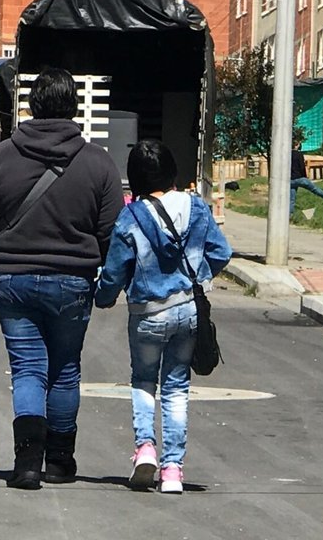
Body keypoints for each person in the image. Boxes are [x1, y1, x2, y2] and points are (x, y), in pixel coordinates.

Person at [0, 66, 123, 491]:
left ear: (32, 105)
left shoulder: (1, 158)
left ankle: (27, 462)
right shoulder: (98, 163)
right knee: (64, 370)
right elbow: (112, 233)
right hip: (73, 282)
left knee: (28, 369)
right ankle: (61, 462)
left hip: (12, 280)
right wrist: (109, 281)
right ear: (74, 106)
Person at [96, 140, 232, 493]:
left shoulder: (131, 216)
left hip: (147, 313)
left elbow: (114, 270)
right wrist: (199, 275)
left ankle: (145, 449)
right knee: (176, 387)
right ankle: (173, 470)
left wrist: (104, 297)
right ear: (173, 171)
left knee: (144, 381)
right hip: (188, 310)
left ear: (135, 178)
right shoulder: (196, 207)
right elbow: (222, 252)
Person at [289, 142, 323, 215]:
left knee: (291, 198)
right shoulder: (299, 154)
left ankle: (290, 214)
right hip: (300, 178)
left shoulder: (287, 154)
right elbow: (302, 167)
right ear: (297, 145)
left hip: (291, 180)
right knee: (314, 189)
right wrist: (305, 177)